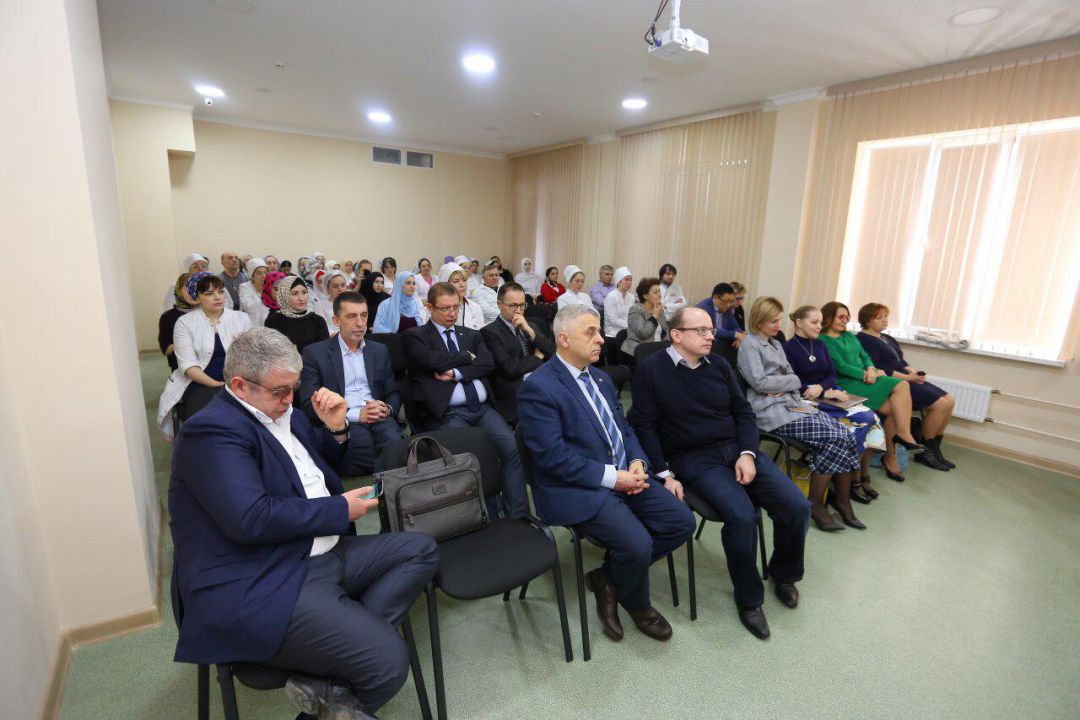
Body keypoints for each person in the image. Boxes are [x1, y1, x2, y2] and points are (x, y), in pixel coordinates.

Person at [169, 327, 438, 720]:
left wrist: (336, 428)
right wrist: (338, 510)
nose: (290, 400)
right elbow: (250, 518)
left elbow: (322, 469)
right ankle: (350, 657)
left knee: (420, 548)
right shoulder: (211, 431)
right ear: (240, 386)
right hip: (264, 575)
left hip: (321, 551)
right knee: (387, 664)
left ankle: (330, 680)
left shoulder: (283, 413)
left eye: (293, 389)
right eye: (280, 391)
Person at [629, 305, 811, 639]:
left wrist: (747, 453)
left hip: (738, 449)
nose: (710, 336)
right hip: (695, 458)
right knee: (742, 516)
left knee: (797, 506)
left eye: (711, 330)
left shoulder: (719, 365)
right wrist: (664, 474)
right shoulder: (652, 370)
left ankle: (784, 575)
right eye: (701, 330)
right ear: (676, 335)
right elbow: (644, 426)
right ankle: (750, 599)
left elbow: (743, 412)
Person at [518, 304, 696, 643]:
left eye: (600, 331)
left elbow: (625, 429)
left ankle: (608, 578)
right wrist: (614, 478)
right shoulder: (539, 387)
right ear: (564, 339)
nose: (601, 339)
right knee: (638, 544)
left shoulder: (600, 377)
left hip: (624, 475)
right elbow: (551, 457)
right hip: (576, 486)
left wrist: (637, 461)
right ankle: (637, 604)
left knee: (681, 522)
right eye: (591, 333)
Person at [401, 282, 529, 519]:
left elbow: (487, 363)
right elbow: (430, 360)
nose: (452, 313)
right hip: (448, 412)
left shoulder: (471, 334)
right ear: (430, 307)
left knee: (511, 448)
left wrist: (456, 372)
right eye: (445, 308)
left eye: (455, 307)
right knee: (472, 457)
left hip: (482, 409)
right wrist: (466, 356)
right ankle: (487, 517)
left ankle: (518, 516)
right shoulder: (415, 336)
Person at [738, 298, 864, 532]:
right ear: (759, 320)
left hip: (791, 403)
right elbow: (759, 383)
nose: (778, 325)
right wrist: (788, 381)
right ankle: (815, 504)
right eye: (773, 321)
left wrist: (784, 382)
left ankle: (842, 500)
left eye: (779, 320)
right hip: (771, 411)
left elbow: (791, 378)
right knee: (833, 438)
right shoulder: (749, 345)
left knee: (846, 434)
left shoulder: (776, 344)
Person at [300, 292, 404, 476]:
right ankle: (386, 480)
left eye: (364, 315)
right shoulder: (315, 354)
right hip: (343, 420)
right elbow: (309, 404)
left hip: (379, 417)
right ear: (336, 320)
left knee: (394, 442)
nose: (360, 323)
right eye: (351, 316)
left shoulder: (379, 350)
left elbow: (393, 392)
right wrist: (356, 414)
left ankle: (387, 476)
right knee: (364, 448)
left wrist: (387, 409)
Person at [783, 305, 881, 502]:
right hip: (806, 399)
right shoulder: (787, 348)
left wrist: (823, 388)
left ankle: (857, 475)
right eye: (814, 322)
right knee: (856, 424)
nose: (820, 326)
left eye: (820, 322)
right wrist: (819, 391)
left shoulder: (820, 345)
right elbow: (790, 383)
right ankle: (849, 480)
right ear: (799, 323)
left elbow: (831, 375)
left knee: (873, 418)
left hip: (828, 394)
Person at [819, 301, 924, 482]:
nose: (845, 320)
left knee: (894, 411)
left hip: (866, 378)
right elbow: (840, 366)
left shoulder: (849, 336)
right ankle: (904, 436)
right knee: (902, 385)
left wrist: (870, 369)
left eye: (847, 317)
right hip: (846, 384)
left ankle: (890, 455)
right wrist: (866, 374)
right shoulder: (823, 340)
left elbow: (865, 356)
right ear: (828, 318)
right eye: (840, 317)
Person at [856, 303, 956, 470]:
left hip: (907, 377)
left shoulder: (886, 338)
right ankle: (925, 451)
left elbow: (901, 361)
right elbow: (880, 369)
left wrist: (914, 372)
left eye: (885, 317)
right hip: (891, 382)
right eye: (879, 318)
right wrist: (908, 377)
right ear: (866, 321)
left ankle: (934, 448)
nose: (884, 320)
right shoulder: (863, 340)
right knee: (940, 405)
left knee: (950, 400)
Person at [156, 273, 252, 438]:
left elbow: (250, 357)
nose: (217, 297)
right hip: (200, 382)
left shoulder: (241, 318)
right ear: (197, 297)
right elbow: (188, 366)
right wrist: (216, 384)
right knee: (206, 422)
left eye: (220, 291)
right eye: (208, 293)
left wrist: (235, 383)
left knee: (250, 417)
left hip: (238, 379)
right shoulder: (185, 323)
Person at [480, 282, 556, 424]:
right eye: (513, 305)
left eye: (522, 305)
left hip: (539, 379)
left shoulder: (530, 326)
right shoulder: (489, 332)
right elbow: (509, 368)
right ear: (499, 304)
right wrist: (537, 358)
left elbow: (553, 353)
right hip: (514, 389)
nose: (519, 311)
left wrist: (531, 333)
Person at [265, 275, 330, 354]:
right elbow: (271, 353)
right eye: (294, 294)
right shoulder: (273, 321)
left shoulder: (317, 321)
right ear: (284, 295)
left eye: (304, 292)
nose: (301, 298)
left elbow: (325, 352)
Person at [622, 277, 668, 362]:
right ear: (645, 296)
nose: (659, 295)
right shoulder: (636, 309)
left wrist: (666, 346)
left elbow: (667, 331)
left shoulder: (658, 309)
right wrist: (655, 316)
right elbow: (643, 333)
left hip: (657, 350)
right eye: (655, 292)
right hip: (639, 352)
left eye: (659, 291)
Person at [158, 273, 197, 372]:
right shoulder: (168, 317)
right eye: (188, 288)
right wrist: (188, 343)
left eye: (196, 288)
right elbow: (166, 349)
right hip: (181, 368)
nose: (193, 292)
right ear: (179, 290)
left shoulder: (207, 312)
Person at [437, 262, 485, 330]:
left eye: (464, 280)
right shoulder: (437, 310)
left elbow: (481, 333)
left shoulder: (475, 307)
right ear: (446, 285)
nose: (462, 285)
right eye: (456, 281)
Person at [695, 283, 746, 347]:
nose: (729, 305)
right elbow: (710, 331)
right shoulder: (703, 308)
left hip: (721, 344)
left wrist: (738, 338)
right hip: (704, 344)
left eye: (731, 302)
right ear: (715, 298)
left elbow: (736, 327)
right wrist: (735, 335)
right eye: (726, 301)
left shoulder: (727, 308)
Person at [602, 267, 634, 339]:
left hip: (628, 331)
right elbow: (613, 320)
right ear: (619, 281)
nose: (629, 282)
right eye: (626, 280)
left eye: (630, 280)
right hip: (612, 332)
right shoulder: (611, 296)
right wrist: (629, 326)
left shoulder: (631, 297)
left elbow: (631, 316)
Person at [238, 257, 269, 327]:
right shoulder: (244, 287)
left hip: (268, 324)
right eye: (259, 273)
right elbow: (249, 307)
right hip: (250, 325)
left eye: (265, 272)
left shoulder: (270, 287)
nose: (263, 276)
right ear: (252, 275)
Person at [317, 270, 350, 334]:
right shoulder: (320, 304)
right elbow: (323, 326)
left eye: (343, 285)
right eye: (335, 286)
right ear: (327, 288)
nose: (340, 289)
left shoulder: (351, 302)